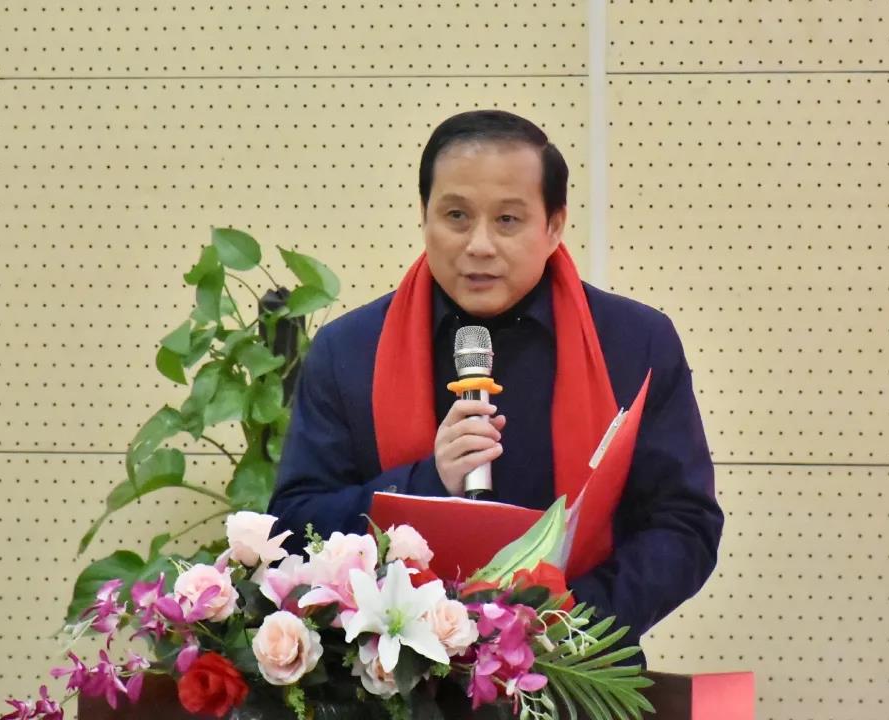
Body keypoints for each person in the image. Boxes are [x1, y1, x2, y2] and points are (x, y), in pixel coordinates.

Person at [268, 109, 723, 654]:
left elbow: (684, 524)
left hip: (577, 663)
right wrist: (425, 483)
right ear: (424, 215)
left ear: (554, 225)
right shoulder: (349, 351)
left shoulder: (634, 343)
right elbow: (293, 524)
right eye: (456, 216)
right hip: (389, 673)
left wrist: (564, 622)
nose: (479, 245)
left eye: (508, 220)